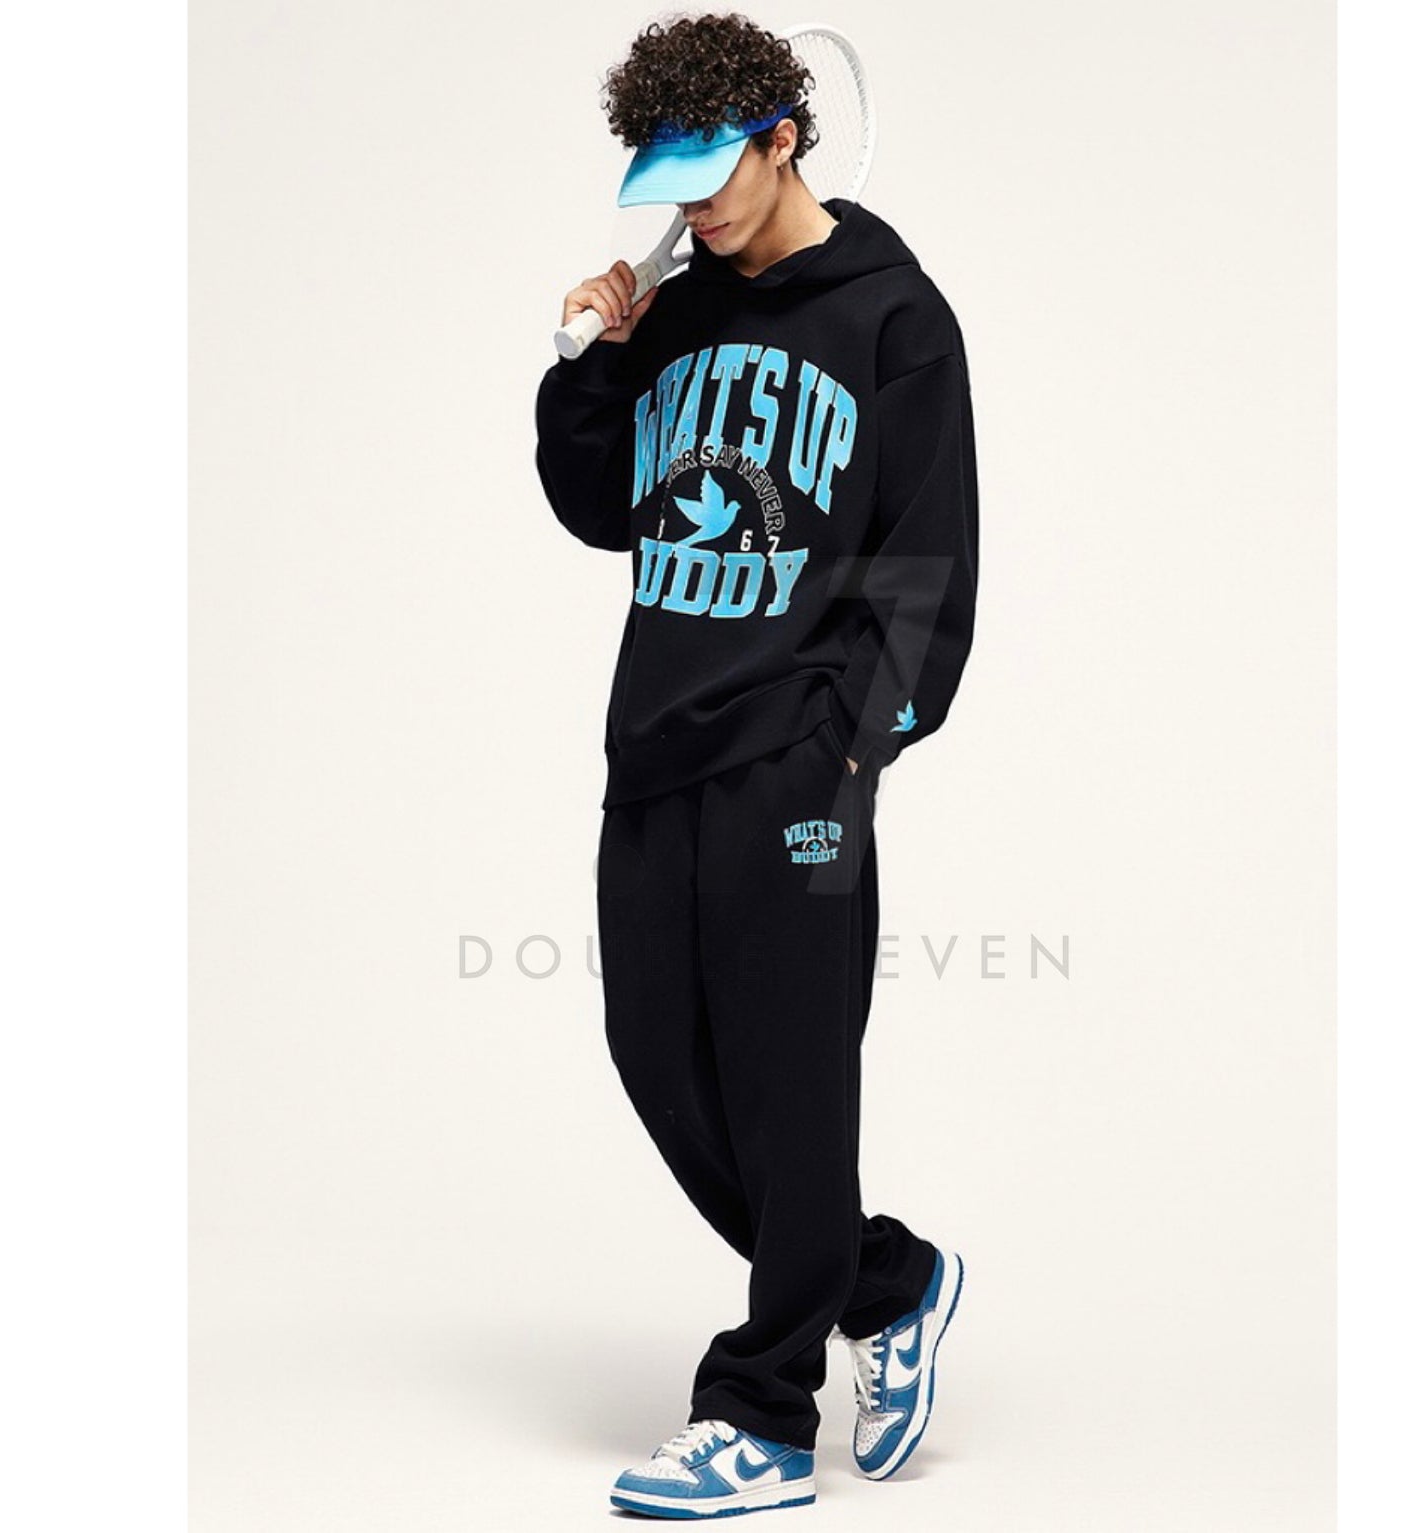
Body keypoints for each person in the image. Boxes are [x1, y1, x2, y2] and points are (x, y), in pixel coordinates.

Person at [533, 12, 979, 1519]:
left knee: (791, 1087)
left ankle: (762, 1416)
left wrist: (847, 751)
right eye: (665, 185)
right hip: (654, 746)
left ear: (782, 139)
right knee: (655, 1057)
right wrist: (589, 364)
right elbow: (603, 511)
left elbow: (928, 566)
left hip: (797, 762)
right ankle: (889, 1282)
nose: (693, 210)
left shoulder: (895, 321)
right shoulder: (673, 311)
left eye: (711, 175)